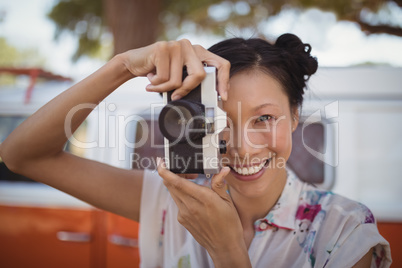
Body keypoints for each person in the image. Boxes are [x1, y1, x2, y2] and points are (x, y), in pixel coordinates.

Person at [0, 33, 391, 267]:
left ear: (294, 116)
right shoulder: (169, 200)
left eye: (263, 118)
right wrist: (123, 65)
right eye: (218, 123)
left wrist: (227, 253)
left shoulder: (346, 231)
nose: (241, 147)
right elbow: (21, 155)